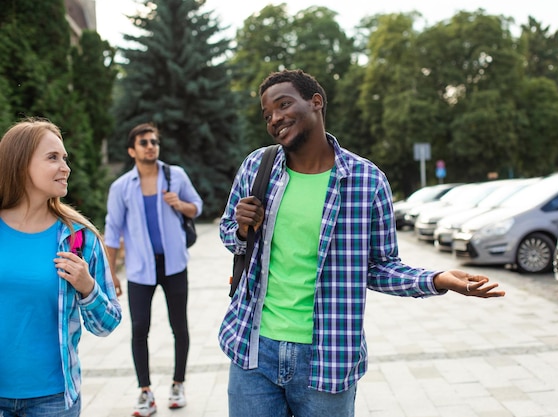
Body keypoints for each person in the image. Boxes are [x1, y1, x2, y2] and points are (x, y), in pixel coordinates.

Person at [218, 69, 506, 417]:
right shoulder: (257, 167)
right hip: (253, 350)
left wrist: (437, 279)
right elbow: (230, 237)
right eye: (268, 115)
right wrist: (241, 228)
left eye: (283, 105)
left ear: (316, 102)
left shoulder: (367, 181)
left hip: (327, 357)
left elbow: (381, 267)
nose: (275, 118)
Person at [0, 118, 122, 416]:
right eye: (53, 158)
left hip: (53, 400)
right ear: (20, 163)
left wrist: (88, 288)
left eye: (65, 158)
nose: (65, 167)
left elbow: (107, 324)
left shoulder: (80, 238)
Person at [104, 123, 202, 417]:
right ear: (132, 150)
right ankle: (145, 392)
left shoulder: (175, 176)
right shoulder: (121, 187)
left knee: (179, 326)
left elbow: (197, 206)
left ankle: (178, 384)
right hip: (139, 269)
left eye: (154, 141)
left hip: (174, 265)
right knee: (139, 328)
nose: (151, 146)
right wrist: (111, 275)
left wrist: (180, 204)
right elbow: (112, 232)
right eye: (144, 142)